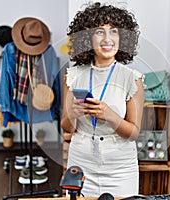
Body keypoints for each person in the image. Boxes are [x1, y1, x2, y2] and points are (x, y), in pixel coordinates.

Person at [61, 2, 144, 197]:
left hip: (121, 171)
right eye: (99, 31)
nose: (108, 38)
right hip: (80, 166)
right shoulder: (73, 76)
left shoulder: (132, 78)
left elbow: (133, 133)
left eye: (114, 31)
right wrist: (72, 114)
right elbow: (66, 127)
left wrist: (111, 117)